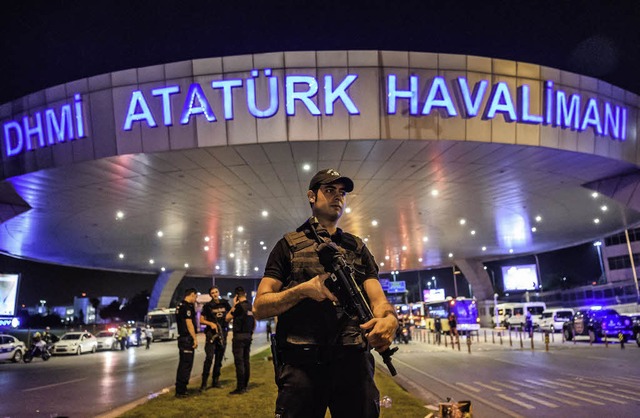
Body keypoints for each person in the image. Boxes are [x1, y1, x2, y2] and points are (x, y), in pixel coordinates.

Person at [253, 168, 398, 418]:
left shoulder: (356, 248)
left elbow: (379, 301)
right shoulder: (289, 245)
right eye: (329, 190)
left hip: (352, 364)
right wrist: (303, 290)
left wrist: (389, 320)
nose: (338, 197)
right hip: (303, 366)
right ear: (312, 196)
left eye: (342, 192)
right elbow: (260, 307)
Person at [199, 286, 231, 390]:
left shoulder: (225, 303)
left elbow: (231, 313)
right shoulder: (208, 306)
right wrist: (211, 324)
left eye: (216, 292)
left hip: (222, 334)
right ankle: (204, 383)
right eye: (213, 293)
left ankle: (215, 381)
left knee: (219, 359)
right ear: (210, 295)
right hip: (211, 335)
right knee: (209, 358)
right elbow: (201, 320)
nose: (215, 294)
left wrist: (228, 319)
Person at [225, 286, 255, 395]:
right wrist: (251, 333)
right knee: (246, 361)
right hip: (248, 336)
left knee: (239, 362)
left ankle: (240, 387)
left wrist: (234, 305)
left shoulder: (238, 307)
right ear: (245, 294)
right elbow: (254, 322)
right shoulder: (250, 306)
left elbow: (227, 318)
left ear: (236, 296)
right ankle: (245, 385)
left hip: (239, 337)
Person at [175, 288, 198, 398]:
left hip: (182, 339)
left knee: (183, 364)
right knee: (186, 365)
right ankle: (181, 390)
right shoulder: (187, 307)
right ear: (192, 295)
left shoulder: (179, 305)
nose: (195, 299)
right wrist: (195, 338)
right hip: (187, 339)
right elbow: (189, 323)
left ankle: (180, 388)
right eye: (195, 296)